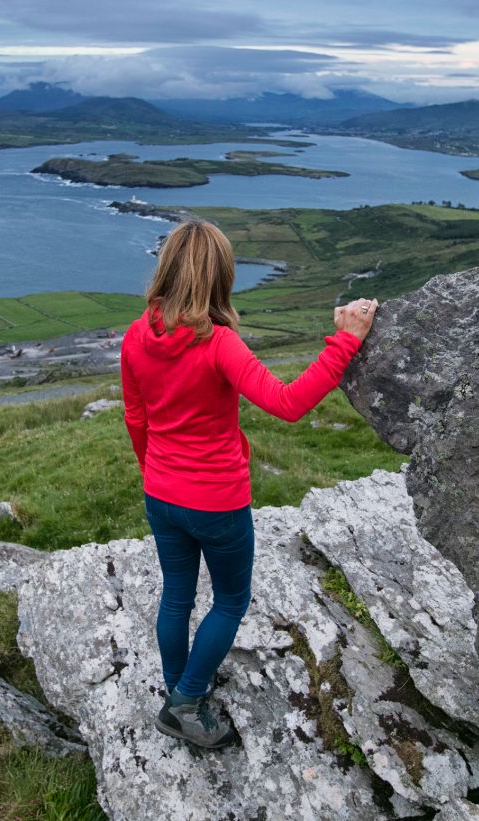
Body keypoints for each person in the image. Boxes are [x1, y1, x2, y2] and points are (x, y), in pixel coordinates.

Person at [119, 219, 378, 750]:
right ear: (220, 277)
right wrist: (346, 340)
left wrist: (156, 475)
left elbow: (135, 418)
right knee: (232, 599)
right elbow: (287, 403)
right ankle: (186, 703)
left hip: (161, 494)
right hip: (216, 500)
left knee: (177, 597)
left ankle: (179, 691)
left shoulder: (136, 335)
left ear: (167, 268)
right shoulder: (220, 345)